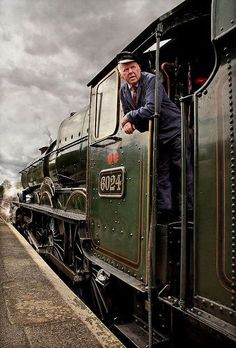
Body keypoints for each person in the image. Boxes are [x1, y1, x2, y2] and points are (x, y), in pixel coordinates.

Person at [116, 51, 193, 223]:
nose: (130, 72)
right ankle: (165, 214)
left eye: (133, 67)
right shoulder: (123, 90)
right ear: (121, 74)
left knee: (182, 171)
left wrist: (128, 118)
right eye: (126, 69)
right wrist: (128, 122)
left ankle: (188, 214)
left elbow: (152, 109)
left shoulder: (151, 80)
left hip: (174, 130)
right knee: (161, 174)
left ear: (139, 68)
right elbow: (127, 111)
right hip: (156, 135)